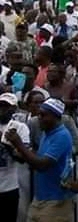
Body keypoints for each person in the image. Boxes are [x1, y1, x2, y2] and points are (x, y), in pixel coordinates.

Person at [5, 97, 74, 222]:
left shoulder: (62, 136)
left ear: (55, 116)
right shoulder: (47, 133)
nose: (39, 118)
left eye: (43, 115)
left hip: (55, 201)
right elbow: (38, 157)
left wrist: (19, 144)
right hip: (40, 198)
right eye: (38, 115)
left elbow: (42, 165)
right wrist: (20, 151)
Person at [0, 92, 30, 221]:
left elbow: (22, 158)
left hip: (9, 187)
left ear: (14, 109)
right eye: (0, 105)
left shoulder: (20, 128)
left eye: (6, 106)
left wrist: (7, 144)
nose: (2, 109)